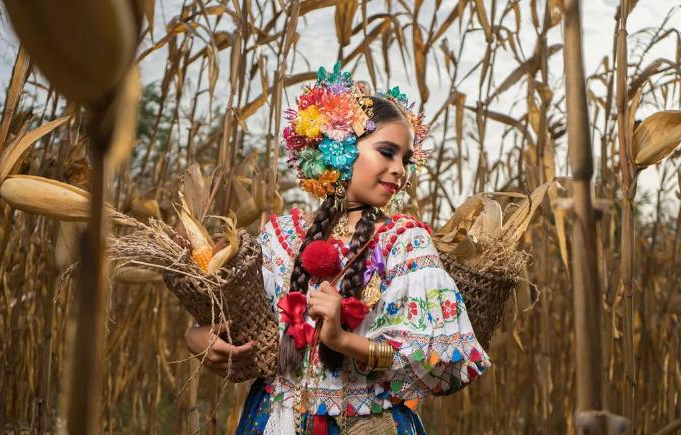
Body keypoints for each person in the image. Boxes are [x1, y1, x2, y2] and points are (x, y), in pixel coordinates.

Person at [185, 62, 489, 434]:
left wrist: (343, 340)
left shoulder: (405, 243)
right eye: (387, 152)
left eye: (405, 159)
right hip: (273, 419)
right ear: (340, 147)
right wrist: (198, 337)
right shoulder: (280, 238)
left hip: (366, 423)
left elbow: (429, 353)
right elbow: (240, 321)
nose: (400, 170)